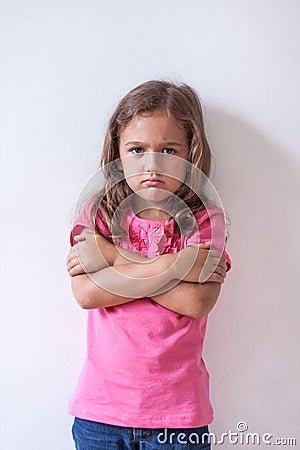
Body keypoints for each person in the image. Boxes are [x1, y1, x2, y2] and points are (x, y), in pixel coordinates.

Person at [66, 80, 232, 449]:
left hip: (178, 419)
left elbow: (196, 303)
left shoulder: (205, 219)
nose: (152, 164)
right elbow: (89, 294)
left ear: (191, 153)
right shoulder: (99, 213)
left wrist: (112, 258)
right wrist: (177, 266)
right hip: (101, 414)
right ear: (118, 152)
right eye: (137, 149)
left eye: (169, 150)